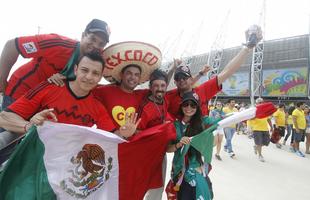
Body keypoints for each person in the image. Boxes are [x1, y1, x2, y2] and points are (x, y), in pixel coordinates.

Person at [0, 52, 140, 164]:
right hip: (31, 158)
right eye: (84, 70)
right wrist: (30, 127)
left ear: (100, 77)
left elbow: (112, 135)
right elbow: (4, 118)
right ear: (75, 69)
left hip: (64, 165)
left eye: (95, 73)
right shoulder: (50, 87)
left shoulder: (97, 106)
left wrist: (125, 134)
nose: (89, 77)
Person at [0, 19, 110, 110]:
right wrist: (2, 79)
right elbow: (12, 46)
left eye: (101, 44)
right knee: (9, 134)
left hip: (45, 103)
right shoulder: (58, 43)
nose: (95, 45)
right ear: (83, 35)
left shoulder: (98, 59)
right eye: (92, 38)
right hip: (21, 93)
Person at [166, 25, 263, 120]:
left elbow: (227, 72)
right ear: (174, 82)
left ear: (191, 79)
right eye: (178, 78)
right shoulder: (169, 96)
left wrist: (247, 49)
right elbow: (158, 86)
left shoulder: (202, 90)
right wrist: (171, 69)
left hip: (202, 135)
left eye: (185, 77)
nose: (181, 80)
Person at [166, 91, 213, 200]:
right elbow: (168, 149)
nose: (189, 108)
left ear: (197, 107)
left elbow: (220, 123)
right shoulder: (175, 125)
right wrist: (179, 144)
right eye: (186, 104)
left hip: (197, 170)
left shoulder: (203, 122)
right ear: (181, 106)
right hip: (179, 172)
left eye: (193, 105)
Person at [136, 69, 173, 200]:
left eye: (162, 86)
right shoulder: (145, 107)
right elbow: (136, 132)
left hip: (160, 154)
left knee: (157, 190)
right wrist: (155, 134)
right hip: (145, 156)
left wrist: (173, 67)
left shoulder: (165, 101)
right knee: (140, 188)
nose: (160, 89)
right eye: (156, 86)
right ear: (150, 87)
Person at [248, 98, 273, 162]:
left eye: (261, 102)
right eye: (259, 102)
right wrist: (250, 128)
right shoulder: (254, 110)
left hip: (265, 128)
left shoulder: (265, 110)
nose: (260, 103)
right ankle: (260, 155)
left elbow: (268, 119)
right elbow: (250, 118)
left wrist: (271, 127)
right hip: (256, 128)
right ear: (256, 103)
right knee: (259, 143)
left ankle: (256, 146)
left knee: (266, 142)